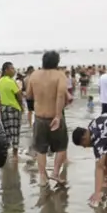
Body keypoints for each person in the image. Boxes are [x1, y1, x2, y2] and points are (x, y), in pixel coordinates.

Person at [26, 51, 69, 185]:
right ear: (57, 62)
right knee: (61, 147)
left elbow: (28, 95)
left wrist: (34, 109)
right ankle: (55, 173)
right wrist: (57, 115)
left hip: (39, 118)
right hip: (55, 117)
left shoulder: (34, 75)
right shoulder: (60, 75)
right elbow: (61, 96)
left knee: (40, 149)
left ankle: (43, 177)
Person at [0, 62, 24, 156]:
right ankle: (15, 154)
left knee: (7, 132)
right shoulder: (11, 81)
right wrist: (22, 107)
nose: (14, 70)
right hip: (14, 108)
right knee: (15, 131)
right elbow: (19, 96)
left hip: (4, 109)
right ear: (6, 70)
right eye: (12, 68)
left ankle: (6, 153)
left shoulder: (0, 81)